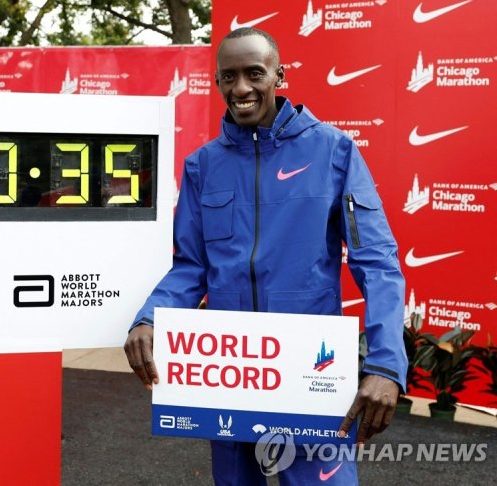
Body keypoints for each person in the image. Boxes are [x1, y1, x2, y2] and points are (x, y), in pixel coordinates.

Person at [124, 27, 407, 485]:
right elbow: (192, 267)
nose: (241, 88)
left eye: (254, 73)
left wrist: (386, 365)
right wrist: (150, 318)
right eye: (228, 76)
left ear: (279, 75)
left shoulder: (334, 151)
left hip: (312, 376)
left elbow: (376, 263)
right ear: (216, 82)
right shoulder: (202, 165)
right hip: (231, 375)